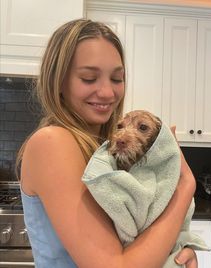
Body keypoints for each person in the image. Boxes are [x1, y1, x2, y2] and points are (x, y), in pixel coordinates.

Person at [16, 19, 198, 268]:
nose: (107, 92)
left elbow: (138, 233)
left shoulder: (106, 147)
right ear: (58, 81)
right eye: (89, 78)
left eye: (116, 78)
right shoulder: (52, 142)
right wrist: (185, 187)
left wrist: (176, 250)